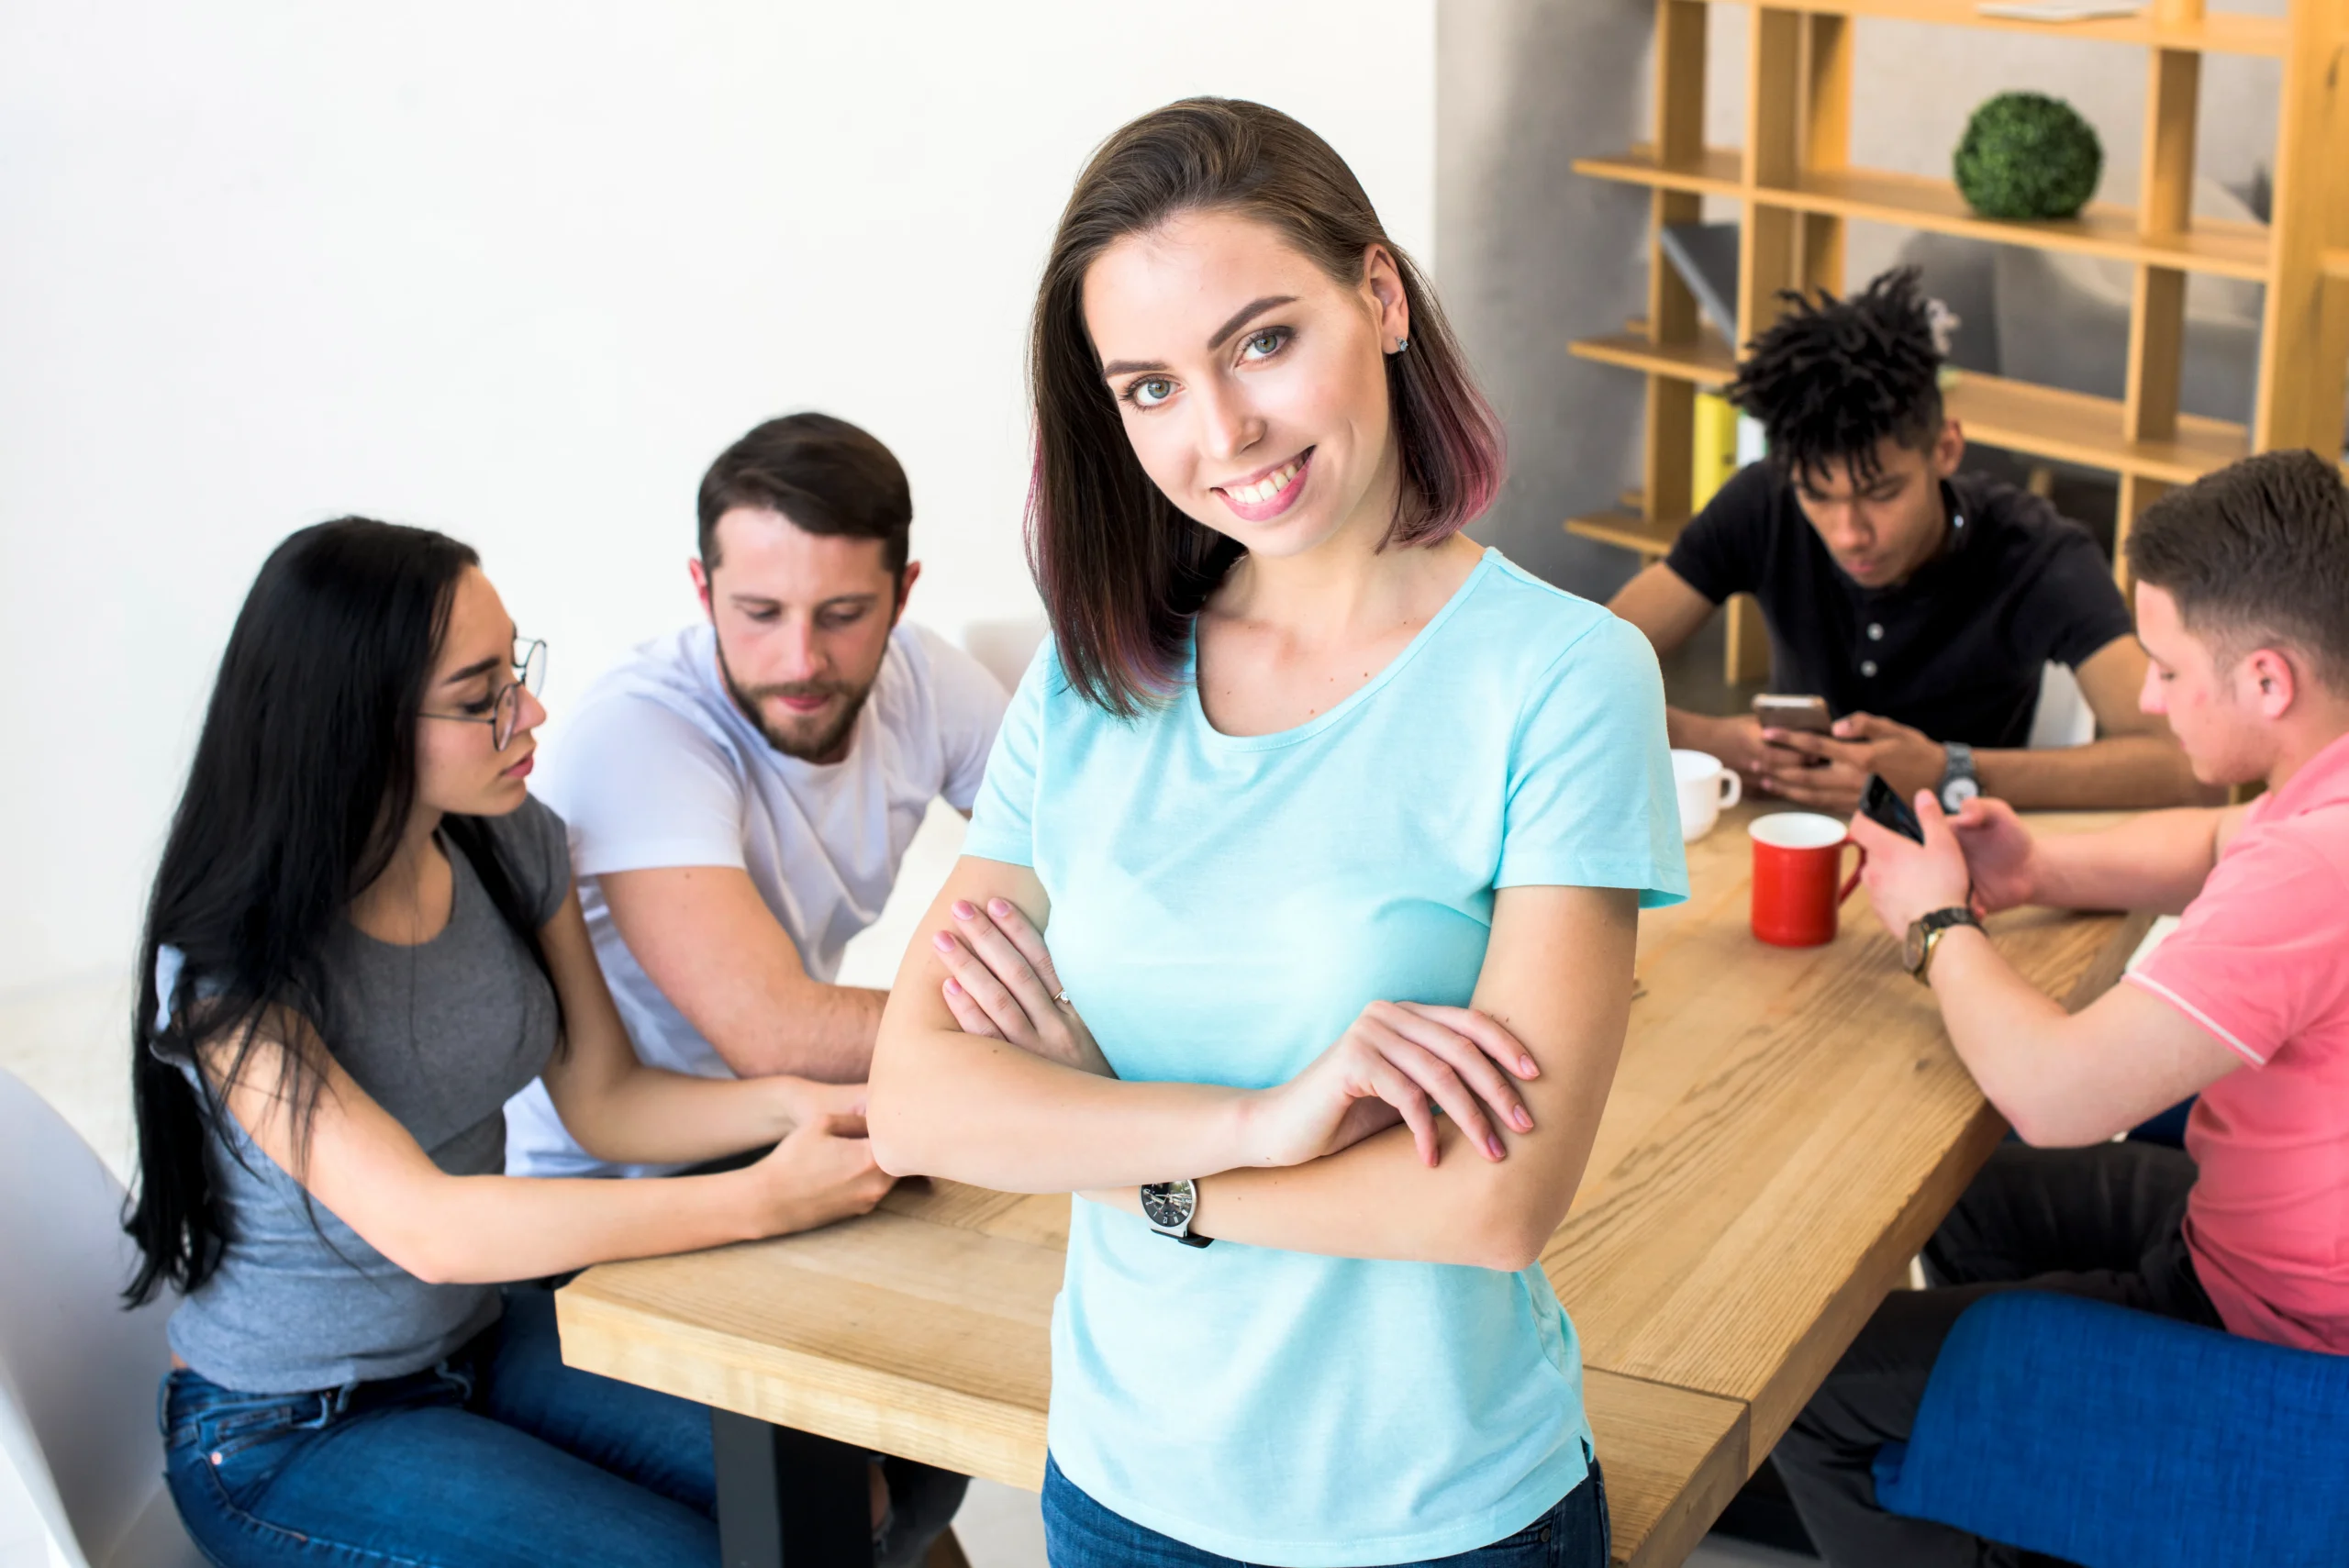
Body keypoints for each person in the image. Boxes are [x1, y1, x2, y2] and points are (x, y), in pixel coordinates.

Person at [867, 98, 1687, 1568]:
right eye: (1152, 386)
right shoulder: (1089, 682)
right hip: (1118, 1495)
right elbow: (921, 1104)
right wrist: (1267, 1122)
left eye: (1261, 342)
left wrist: (1104, 1137)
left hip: (1438, 1522)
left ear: (1380, 297)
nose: (1224, 431)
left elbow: (1493, 1203)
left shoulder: (1562, 677)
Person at [128, 518, 906, 1568]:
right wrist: (763, 1195)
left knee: (831, 1493)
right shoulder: (228, 961)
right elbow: (430, 1227)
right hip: (290, 1426)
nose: (529, 712)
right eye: (477, 695)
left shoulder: (508, 840)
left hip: (479, 1334)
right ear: (353, 721)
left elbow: (607, 1098)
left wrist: (798, 1104)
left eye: (515, 671)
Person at [1772, 450, 2349, 1565]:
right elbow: (2215, 838)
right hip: (2258, 1243)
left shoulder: (2314, 871)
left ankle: (2034, 1467)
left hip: (2283, 1348)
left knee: (1814, 1386)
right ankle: (2028, 1484)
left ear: (2266, 680)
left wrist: (1937, 919)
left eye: (2169, 669)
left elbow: (2055, 1094)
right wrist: (2037, 865)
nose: (2149, 698)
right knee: (1961, 1199)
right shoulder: (2322, 790)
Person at [503, 413, 1007, 1180]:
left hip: (799, 1126)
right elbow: (778, 1034)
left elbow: (1080, 869)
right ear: (704, 591)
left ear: (902, 594)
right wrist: (1027, 1025)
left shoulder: (929, 683)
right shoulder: (639, 729)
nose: (801, 660)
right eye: (761, 613)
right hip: (602, 1183)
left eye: (843, 615)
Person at [1608, 267, 2208, 816]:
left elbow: (2184, 764)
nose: (1849, 534)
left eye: (1882, 492)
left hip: (1964, 847)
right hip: (1790, 831)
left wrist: (1950, 773)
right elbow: (1579, 669)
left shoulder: (2037, 553)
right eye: (1818, 495)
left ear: (1945, 448)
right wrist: (1713, 740)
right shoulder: (1762, 501)